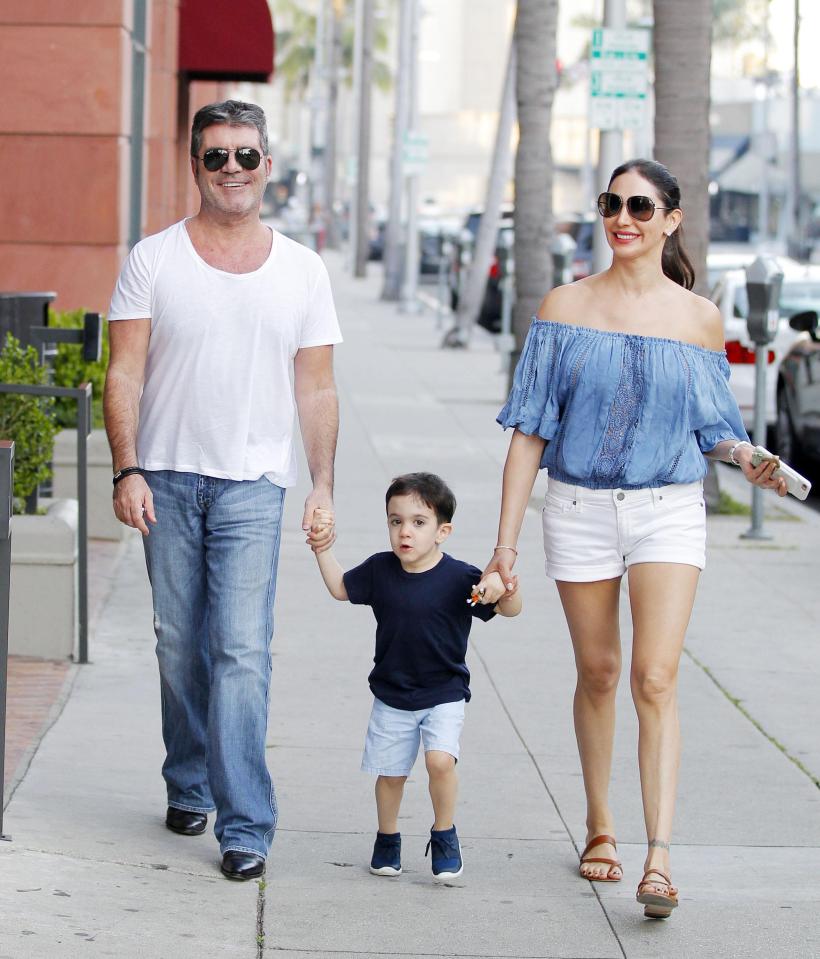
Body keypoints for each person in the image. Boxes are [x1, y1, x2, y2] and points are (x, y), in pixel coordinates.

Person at [479, 159, 786, 919]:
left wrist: (752, 459)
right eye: (612, 204)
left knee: (655, 675)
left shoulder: (699, 318)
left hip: (668, 509)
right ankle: (600, 824)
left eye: (640, 206)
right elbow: (528, 435)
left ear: (671, 218)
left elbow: (718, 430)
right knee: (600, 670)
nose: (624, 218)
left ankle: (658, 855)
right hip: (579, 506)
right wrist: (505, 544)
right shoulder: (565, 305)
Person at [103, 100, 342, 881]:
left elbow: (316, 389)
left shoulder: (303, 270)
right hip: (165, 480)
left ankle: (246, 824)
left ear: (268, 164)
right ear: (195, 165)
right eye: (216, 157)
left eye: (246, 156)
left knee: (240, 650)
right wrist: (126, 466)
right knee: (180, 647)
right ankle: (189, 776)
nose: (232, 170)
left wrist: (322, 484)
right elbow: (126, 372)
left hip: (254, 485)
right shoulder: (154, 258)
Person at [307, 472, 521, 880]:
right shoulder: (379, 570)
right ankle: (387, 839)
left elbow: (508, 610)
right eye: (395, 520)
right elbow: (340, 587)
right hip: (393, 694)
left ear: (443, 531)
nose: (405, 532)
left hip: (444, 692)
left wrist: (505, 588)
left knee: (440, 761)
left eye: (419, 523)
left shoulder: (460, 579)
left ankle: (444, 834)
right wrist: (322, 549)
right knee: (391, 775)